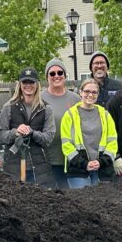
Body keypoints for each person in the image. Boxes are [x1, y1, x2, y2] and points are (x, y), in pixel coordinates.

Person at [0, 68, 55, 187]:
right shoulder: (9, 107)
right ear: (20, 85)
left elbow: (48, 138)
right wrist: (15, 133)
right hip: (14, 168)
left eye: (31, 82)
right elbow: (0, 135)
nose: (28, 85)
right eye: (25, 82)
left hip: (39, 170)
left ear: (37, 84)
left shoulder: (46, 108)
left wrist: (32, 133)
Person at [61, 78, 119, 188]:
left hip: (102, 169)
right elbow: (66, 145)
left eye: (94, 92)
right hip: (78, 169)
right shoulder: (69, 115)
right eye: (87, 91)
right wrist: (84, 164)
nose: (90, 95)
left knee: (103, 204)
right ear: (80, 92)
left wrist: (101, 162)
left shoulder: (106, 115)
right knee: (81, 204)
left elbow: (112, 142)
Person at [41, 57, 81, 189]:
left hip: (71, 158)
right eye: (52, 73)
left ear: (65, 75)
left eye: (60, 72)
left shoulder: (75, 99)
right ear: (47, 77)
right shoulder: (39, 98)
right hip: (47, 159)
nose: (56, 76)